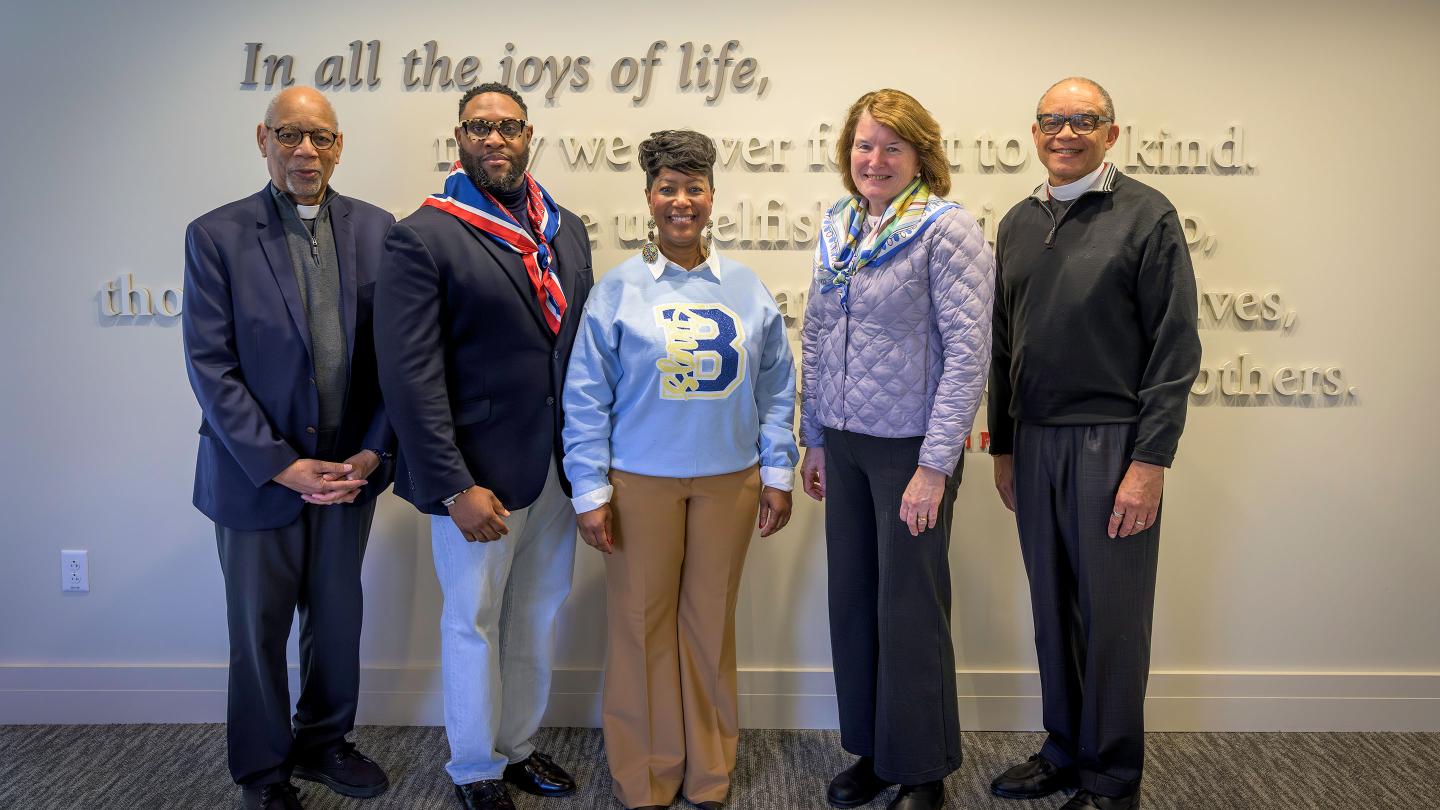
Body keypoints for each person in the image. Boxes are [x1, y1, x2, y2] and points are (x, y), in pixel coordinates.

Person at [562, 130, 799, 810]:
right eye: (668, 188)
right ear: (649, 198)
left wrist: (778, 472)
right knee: (640, 627)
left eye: (694, 188)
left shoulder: (746, 287)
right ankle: (646, 775)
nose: (681, 201)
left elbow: (777, 387)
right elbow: (586, 396)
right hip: (640, 482)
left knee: (709, 624)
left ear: (712, 197)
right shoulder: (618, 291)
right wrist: (590, 488)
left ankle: (709, 772)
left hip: (730, 480)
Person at [374, 83, 592, 810]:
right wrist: (450, 484)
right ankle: (474, 768)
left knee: (535, 614)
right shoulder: (423, 235)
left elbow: (577, 356)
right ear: (459, 139)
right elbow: (410, 377)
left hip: (556, 469)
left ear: (530, 135)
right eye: (479, 127)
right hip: (477, 480)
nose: (495, 139)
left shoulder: (567, 230)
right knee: (472, 622)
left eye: (508, 127)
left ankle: (519, 747)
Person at [986, 77, 1202, 810]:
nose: (1066, 132)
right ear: (1036, 131)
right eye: (1053, 120)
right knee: (1053, 608)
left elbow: (1175, 349)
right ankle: (1063, 751)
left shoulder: (1147, 215)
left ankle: (1111, 777)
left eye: (1085, 120)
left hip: (1114, 446)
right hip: (1037, 442)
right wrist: (1004, 446)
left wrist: (1150, 462)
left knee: (1110, 618)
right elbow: (1001, 342)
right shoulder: (1017, 222)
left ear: (1111, 133)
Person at [182, 86, 395, 810]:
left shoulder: (377, 229)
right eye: (290, 135)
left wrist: (371, 453)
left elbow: (395, 359)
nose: (306, 151)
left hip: (347, 470)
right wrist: (280, 464)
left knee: (337, 619)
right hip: (257, 474)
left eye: (321, 138)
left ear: (340, 146)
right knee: (259, 629)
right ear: (262, 138)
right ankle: (264, 773)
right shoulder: (216, 235)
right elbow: (211, 366)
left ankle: (324, 742)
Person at [798, 89, 995, 810]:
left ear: (920, 157)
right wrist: (814, 437)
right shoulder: (841, 227)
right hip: (846, 446)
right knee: (855, 602)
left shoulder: (947, 231)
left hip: (910, 450)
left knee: (910, 608)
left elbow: (970, 354)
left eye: (891, 147)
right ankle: (876, 754)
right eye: (863, 145)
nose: (873, 160)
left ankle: (923, 770)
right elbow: (816, 334)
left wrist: (935, 466)